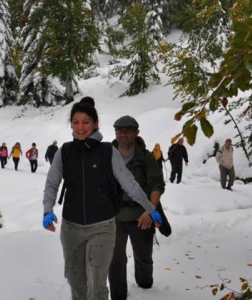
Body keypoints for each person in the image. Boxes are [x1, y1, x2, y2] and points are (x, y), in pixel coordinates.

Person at [42, 97, 162, 300]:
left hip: (102, 228)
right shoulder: (65, 151)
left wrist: (149, 208)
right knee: (76, 283)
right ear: (71, 124)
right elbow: (52, 184)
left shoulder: (108, 151)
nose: (80, 127)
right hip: (71, 228)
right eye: (76, 122)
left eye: (86, 122)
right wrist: (47, 209)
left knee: (97, 284)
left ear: (95, 123)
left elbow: (129, 183)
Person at [108, 115, 166, 300]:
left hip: (141, 216)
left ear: (136, 132)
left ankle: (145, 288)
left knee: (143, 258)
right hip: (114, 217)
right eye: (119, 130)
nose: (122, 134)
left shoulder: (145, 157)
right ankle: (118, 296)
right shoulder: (106, 155)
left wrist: (150, 210)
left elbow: (157, 184)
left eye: (127, 131)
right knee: (115, 260)